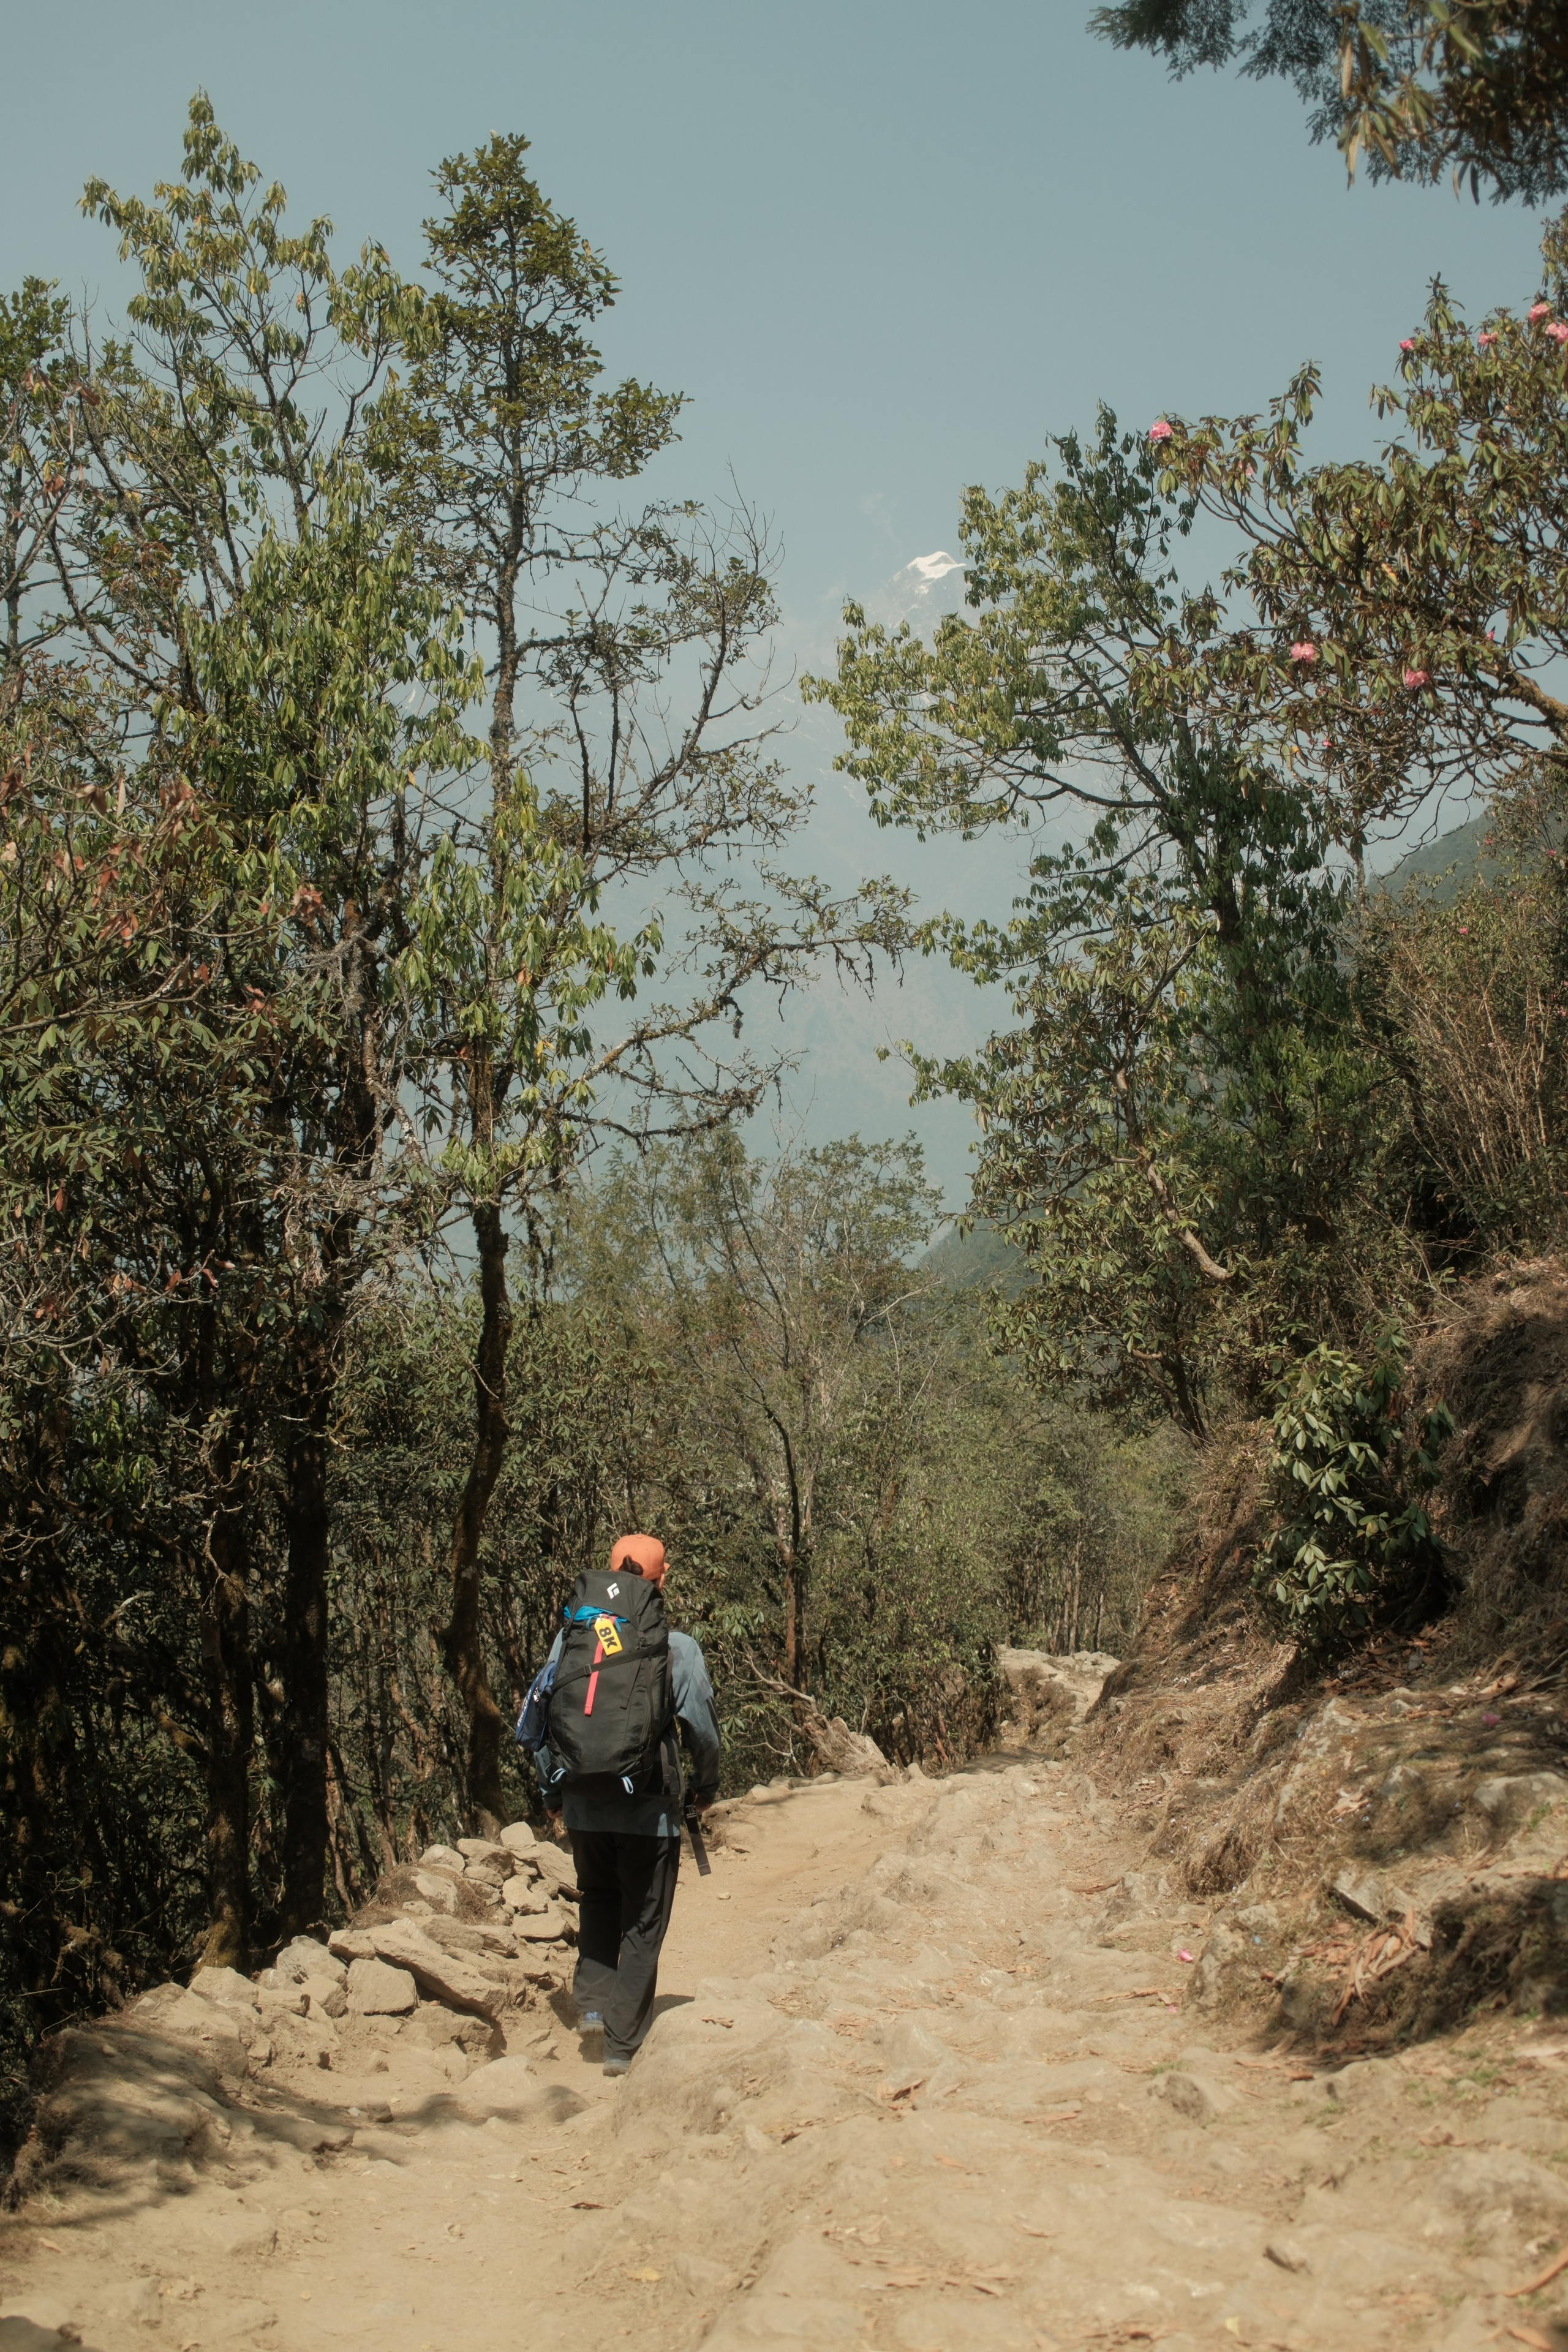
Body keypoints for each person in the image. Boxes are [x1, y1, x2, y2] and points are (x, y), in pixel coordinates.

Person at [535, 1532, 720, 2076]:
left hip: (583, 1804)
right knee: (643, 1919)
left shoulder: (569, 1640)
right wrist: (704, 1787)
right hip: (648, 1809)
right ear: (662, 1582)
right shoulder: (678, 1648)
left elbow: (544, 1719)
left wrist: (553, 1793)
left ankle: (593, 2006)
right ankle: (622, 2045)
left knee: (597, 1896)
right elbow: (702, 1730)